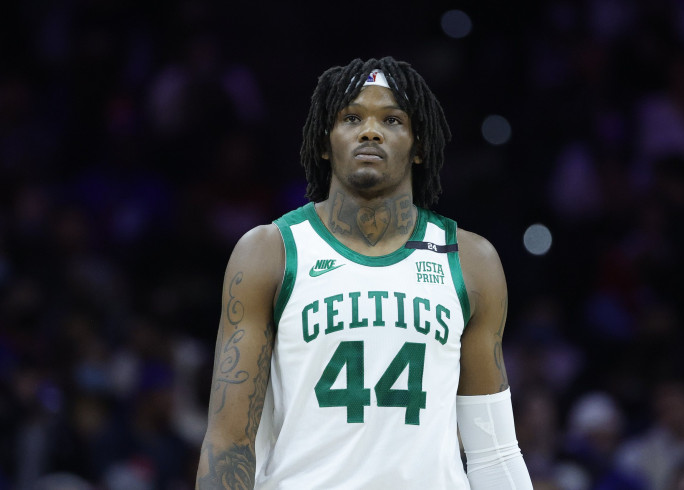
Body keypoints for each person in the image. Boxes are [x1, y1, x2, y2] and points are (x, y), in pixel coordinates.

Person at [195, 56, 533, 489]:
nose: (370, 131)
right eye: (351, 117)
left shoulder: (469, 260)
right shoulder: (270, 252)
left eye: (392, 120)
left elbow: (494, 453)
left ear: (419, 145)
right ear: (324, 141)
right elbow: (229, 444)